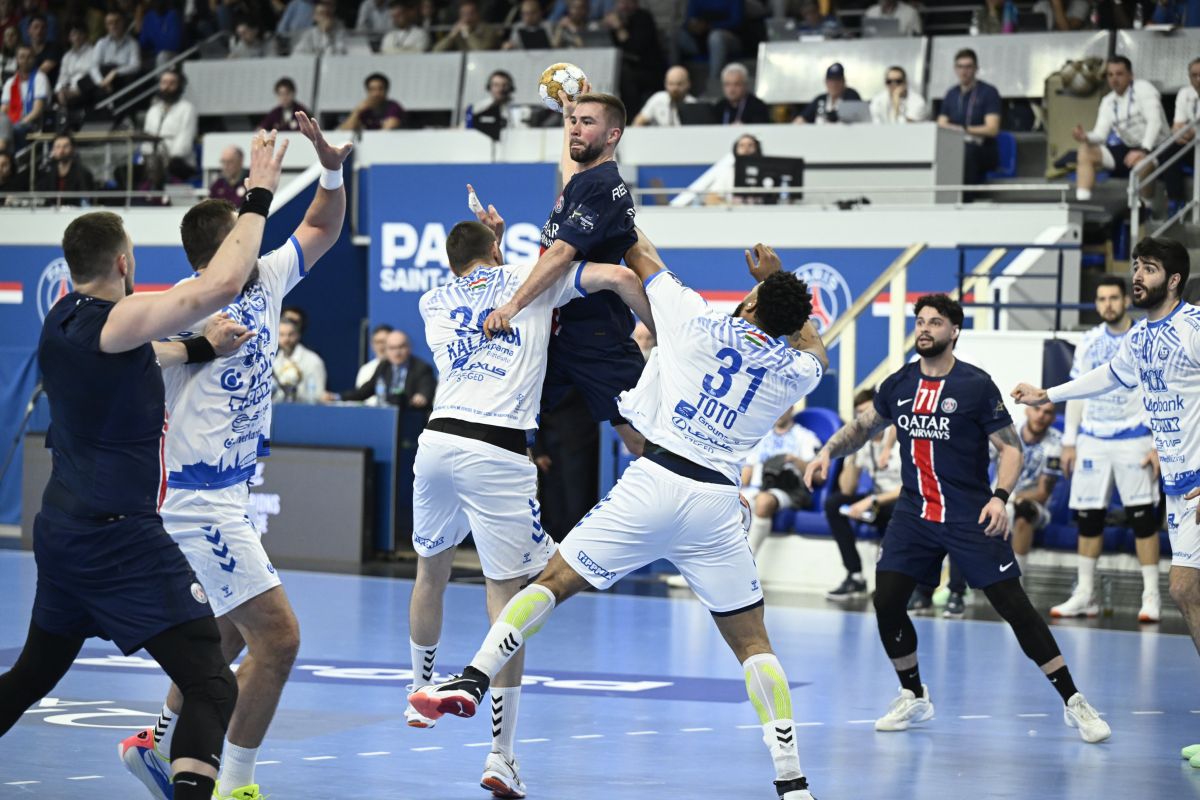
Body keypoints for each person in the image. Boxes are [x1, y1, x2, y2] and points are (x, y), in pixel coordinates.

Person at [411, 233, 828, 800]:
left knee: (552, 582)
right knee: (754, 643)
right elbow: (815, 348)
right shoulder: (796, 371)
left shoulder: (697, 320)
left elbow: (641, 256)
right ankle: (792, 780)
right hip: (715, 503)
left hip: (655, 482)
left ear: (751, 301)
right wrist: (780, 289)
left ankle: (473, 677)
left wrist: (607, 205)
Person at [0, 129, 287, 800]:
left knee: (32, 675)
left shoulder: (60, 322)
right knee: (211, 684)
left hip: (63, 533)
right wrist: (259, 192)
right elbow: (221, 282)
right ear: (124, 261)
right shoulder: (116, 317)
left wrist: (198, 349)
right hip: (120, 538)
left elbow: (145, 354)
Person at [119, 112, 350, 800]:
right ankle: (236, 784)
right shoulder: (183, 304)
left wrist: (329, 169)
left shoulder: (266, 278)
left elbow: (322, 229)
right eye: (246, 235)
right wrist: (193, 347)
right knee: (279, 639)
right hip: (195, 501)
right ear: (219, 254)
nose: (258, 241)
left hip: (230, 494)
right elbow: (124, 351)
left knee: (224, 633)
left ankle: (158, 743)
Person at [405, 220, 651, 796]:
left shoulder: (432, 300)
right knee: (508, 596)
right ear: (497, 248)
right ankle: (501, 755)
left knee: (430, 573)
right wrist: (661, 333)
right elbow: (619, 278)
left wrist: (489, 243)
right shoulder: (533, 277)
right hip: (496, 450)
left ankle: (416, 693)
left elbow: (476, 280)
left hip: (437, 441)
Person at [807, 293, 1110, 743]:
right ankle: (914, 695)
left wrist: (1000, 498)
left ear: (954, 331)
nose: (924, 329)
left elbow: (1011, 449)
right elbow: (863, 427)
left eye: (935, 322)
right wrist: (826, 453)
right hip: (914, 513)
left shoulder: (975, 385)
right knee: (886, 600)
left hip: (970, 514)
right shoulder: (899, 383)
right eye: (920, 321)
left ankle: (1074, 700)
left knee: (1015, 608)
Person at [1013, 238, 1200, 758]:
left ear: (1174, 280)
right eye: (1136, 266)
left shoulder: (1195, 328)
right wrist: (1049, 394)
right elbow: (1109, 377)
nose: (1138, 276)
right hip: (1182, 490)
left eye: (1150, 269)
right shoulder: (1140, 337)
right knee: (1185, 590)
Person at [474, 87, 648, 457]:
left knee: (640, 437)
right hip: (556, 332)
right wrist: (567, 113)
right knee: (510, 423)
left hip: (596, 337)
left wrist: (511, 307)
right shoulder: (584, 181)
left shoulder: (603, 186)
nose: (575, 129)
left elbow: (560, 255)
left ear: (613, 135)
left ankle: (688, 489)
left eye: (587, 123)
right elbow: (570, 170)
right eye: (573, 122)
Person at [1048, 275, 1162, 622]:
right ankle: (1085, 595)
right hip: (1093, 438)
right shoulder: (1088, 341)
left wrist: (1158, 442)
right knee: (1089, 519)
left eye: (1113, 298)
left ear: (1126, 300)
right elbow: (1077, 391)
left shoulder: (1145, 336)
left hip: (1134, 436)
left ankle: (1151, 596)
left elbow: (1159, 391)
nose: (1107, 304)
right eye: (1101, 299)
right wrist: (1069, 441)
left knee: (1143, 518)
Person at [823, 387, 901, 602]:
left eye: (868, 412)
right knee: (834, 504)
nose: (866, 419)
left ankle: (892, 582)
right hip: (877, 503)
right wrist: (852, 456)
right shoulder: (865, 442)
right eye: (860, 414)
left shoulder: (900, 438)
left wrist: (872, 500)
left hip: (902, 502)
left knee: (898, 511)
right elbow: (848, 489)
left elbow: (912, 487)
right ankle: (855, 576)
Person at [1071, 56, 1168, 205]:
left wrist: (1144, 150)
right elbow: (1100, 135)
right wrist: (1085, 137)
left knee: (1141, 163)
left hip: (1157, 147)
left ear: (1131, 75)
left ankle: (1147, 206)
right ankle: (1082, 203)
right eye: (1110, 75)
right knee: (1086, 150)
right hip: (1129, 147)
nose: (1114, 79)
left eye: (1119, 74)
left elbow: (1155, 122)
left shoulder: (1144, 89)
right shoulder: (1108, 101)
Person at [995, 403, 1062, 578]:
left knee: (1024, 511)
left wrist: (1011, 497)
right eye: (1037, 409)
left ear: (1053, 418)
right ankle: (957, 586)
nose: (1041, 416)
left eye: (1047, 412)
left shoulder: (1056, 443)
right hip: (998, 499)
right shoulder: (1007, 434)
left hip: (1033, 505)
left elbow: (1042, 493)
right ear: (1027, 410)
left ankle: (1016, 581)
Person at [742, 409, 821, 556]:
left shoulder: (805, 437)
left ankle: (748, 560)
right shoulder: (761, 436)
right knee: (728, 503)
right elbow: (746, 474)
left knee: (763, 501)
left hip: (788, 490)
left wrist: (794, 460)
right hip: (757, 488)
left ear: (791, 408)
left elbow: (819, 477)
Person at [936, 48, 1001, 186]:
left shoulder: (988, 92)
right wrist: (956, 131)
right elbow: (941, 124)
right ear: (955, 69)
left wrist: (963, 129)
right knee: (942, 151)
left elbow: (992, 129)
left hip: (982, 148)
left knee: (966, 152)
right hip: (955, 145)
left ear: (976, 69)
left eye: (968, 67)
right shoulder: (951, 94)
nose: (964, 71)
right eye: (960, 67)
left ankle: (966, 197)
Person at [334, 329, 435, 408]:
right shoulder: (384, 366)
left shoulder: (421, 367)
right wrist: (337, 397)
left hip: (411, 415)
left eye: (401, 347)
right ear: (386, 350)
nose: (397, 352)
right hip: (387, 415)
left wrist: (422, 396)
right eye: (392, 348)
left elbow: (426, 388)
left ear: (409, 347)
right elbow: (364, 391)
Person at [677, 0, 747, 94]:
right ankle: (675, 79)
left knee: (715, 37)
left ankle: (713, 83)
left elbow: (736, 21)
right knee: (677, 35)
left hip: (729, 38)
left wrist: (709, 26)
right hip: (700, 40)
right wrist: (692, 26)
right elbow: (689, 20)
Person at [142, 68, 199, 181]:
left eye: (172, 83)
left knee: (168, 168)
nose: (167, 87)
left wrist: (165, 160)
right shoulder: (153, 110)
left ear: (180, 86)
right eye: (164, 83)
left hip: (179, 161)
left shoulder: (187, 109)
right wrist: (149, 156)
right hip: (154, 161)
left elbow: (185, 141)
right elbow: (146, 139)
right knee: (124, 171)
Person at [79, 12, 140, 105]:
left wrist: (115, 72)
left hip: (121, 78)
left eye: (117, 22)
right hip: (103, 78)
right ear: (106, 26)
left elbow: (136, 66)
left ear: (123, 23)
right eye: (110, 23)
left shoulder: (132, 43)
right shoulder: (101, 43)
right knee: (83, 82)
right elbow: (94, 66)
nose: (114, 26)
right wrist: (102, 82)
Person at [0, 44, 50, 152]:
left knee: (13, 130)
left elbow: (37, 110)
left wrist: (21, 122)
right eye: (22, 57)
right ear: (17, 60)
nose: (25, 60)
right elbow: (3, 110)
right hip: (11, 123)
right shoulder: (10, 82)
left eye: (29, 57)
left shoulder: (40, 78)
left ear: (34, 59)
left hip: (32, 124)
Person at [273, 317, 327, 403]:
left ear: (298, 335)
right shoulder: (273, 362)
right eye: (281, 335)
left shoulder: (313, 361)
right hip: (278, 409)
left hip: (305, 410)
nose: (286, 339)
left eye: (291, 334)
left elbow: (319, 396)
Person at [34, 132, 95, 205]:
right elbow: (40, 197)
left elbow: (87, 201)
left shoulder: (83, 173)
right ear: (53, 150)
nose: (61, 151)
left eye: (65, 147)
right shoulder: (46, 173)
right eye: (58, 147)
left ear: (73, 149)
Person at [795, 62, 860, 125]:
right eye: (831, 81)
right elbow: (801, 118)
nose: (834, 84)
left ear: (843, 81)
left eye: (837, 80)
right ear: (826, 82)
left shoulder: (851, 96)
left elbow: (854, 116)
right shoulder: (820, 99)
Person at [632, 65, 696, 127]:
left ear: (688, 84)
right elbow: (638, 121)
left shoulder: (694, 104)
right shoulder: (657, 99)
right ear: (665, 84)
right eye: (671, 84)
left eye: (679, 84)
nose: (675, 88)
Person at [339, 71, 403, 131]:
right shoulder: (364, 109)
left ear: (386, 90)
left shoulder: (393, 107)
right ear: (367, 91)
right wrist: (357, 111)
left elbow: (389, 129)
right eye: (372, 89)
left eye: (380, 89)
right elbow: (344, 131)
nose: (376, 93)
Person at [431, 0, 500, 51]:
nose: (467, 18)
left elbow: (480, 51)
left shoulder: (488, 30)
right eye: (464, 14)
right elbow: (436, 50)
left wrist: (468, 34)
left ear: (477, 14)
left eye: (470, 14)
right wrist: (451, 36)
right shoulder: (458, 32)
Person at [53, 22, 91, 110]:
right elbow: (62, 78)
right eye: (73, 34)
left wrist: (77, 90)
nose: (77, 37)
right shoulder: (67, 56)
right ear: (69, 37)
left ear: (85, 35)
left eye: (80, 34)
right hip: (68, 91)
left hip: (85, 91)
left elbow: (92, 76)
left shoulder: (93, 52)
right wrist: (59, 91)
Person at [355, 323, 393, 388]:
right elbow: (361, 392)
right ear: (372, 345)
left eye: (384, 342)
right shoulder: (365, 370)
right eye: (377, 342)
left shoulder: (402, 368)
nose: (381, 346)